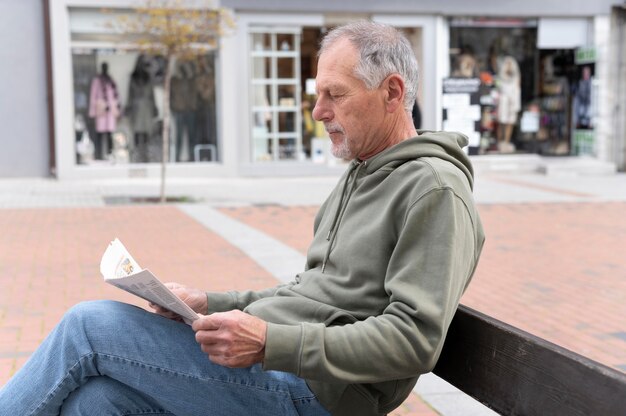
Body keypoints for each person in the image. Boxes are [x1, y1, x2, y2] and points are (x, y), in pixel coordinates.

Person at [0, 21, 484, 416]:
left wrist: (271, 342)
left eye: (334, 94)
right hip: (286, 373)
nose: (318, 112)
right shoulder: (363, 172)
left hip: (320, 394)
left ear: (392, 92)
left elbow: (414, 340)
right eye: (318, 95)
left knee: (88, 326)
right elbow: (309, 292)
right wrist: (211, 302)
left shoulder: (433, 189)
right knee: (97, 403)